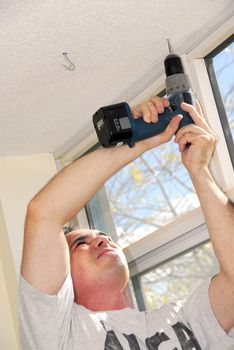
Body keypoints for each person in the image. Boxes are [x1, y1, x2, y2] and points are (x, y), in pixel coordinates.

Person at [19, 96, 234, 350]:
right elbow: (43, 213)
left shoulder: (182, 319)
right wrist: (135, 144)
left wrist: (199, 169)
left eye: (104, 235)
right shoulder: (60, 332)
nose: (102, 239)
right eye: (80, 243)